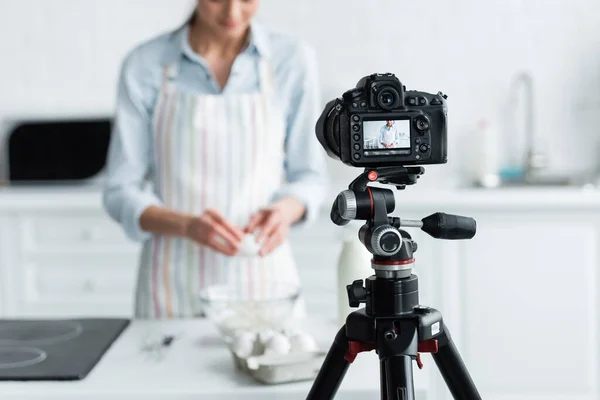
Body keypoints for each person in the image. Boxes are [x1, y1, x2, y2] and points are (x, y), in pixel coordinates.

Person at [102, 0, 328, 319]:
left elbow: (310, 177)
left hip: (264, 281)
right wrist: (188, 225)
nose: (232, 13)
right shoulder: (145, 64)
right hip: (172, 286)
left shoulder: (290, 59)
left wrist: (285, 210)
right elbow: (120, 190)